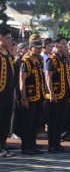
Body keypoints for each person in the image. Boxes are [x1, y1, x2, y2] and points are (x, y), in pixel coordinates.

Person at [45, 36, 70, 154]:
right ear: (57, 46)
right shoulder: (52, 59)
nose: (65, 46)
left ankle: (58, 144)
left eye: (66, 44)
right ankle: (52, 145)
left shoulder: (65, 60)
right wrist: (51, 93)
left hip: (64, 94)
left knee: (61, 121)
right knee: (53, 121)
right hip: (55, 95)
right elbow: (48, 77)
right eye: (63, 44)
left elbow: (68, 78)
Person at [20, 40, 46, 155]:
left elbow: (42, 78)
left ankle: (32, 144)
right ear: (30, 49)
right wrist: (24, 98)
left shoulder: (40, 60)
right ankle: (25, 146)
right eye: (37, 48)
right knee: (28, 123)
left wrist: (44, 95)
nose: (39, 50)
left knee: (37, 122)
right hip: (30, 97)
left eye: (41, 48)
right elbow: (22, 81)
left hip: (40, 95)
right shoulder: (25, 62)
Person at [0, 28, 15, 157]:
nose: (10, 41)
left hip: (9, 91)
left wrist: (15, 91)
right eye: (7, 38)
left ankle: (2, 145)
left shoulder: (9, 55)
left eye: (10, 38)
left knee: (6, 119)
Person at [12, 42, 29, 140]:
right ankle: (15, 131)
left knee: (22, 112)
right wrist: (15, 91)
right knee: (17, 112)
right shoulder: (18, 61)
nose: (27, 50)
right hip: (18, 89)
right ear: (20, 50)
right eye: (25, 48)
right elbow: (15, 78)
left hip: (24, 89)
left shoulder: (25, 60)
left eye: (28, 48)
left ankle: (20, 131)